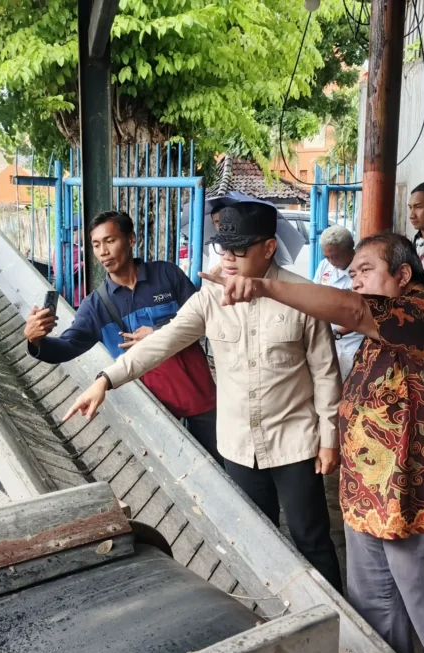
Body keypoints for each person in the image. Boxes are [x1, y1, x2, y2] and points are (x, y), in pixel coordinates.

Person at [200, 232, 424, 653]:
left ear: (403, 276)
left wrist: (265, 287)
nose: (353, 281)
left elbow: (354, 312)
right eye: (351, 274)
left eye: (364, 270)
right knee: (377, 619)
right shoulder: (377, 333)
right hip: (370, 504)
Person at [63, 201, 344, 591]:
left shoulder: (303, 295)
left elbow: (326, 373)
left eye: (239, 249)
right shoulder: (210, 299)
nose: (227, 258)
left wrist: (329, 439)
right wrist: (105, 380)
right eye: (223, 248)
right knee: (257, 541)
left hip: (295, 442)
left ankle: (339, 626)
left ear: (268, 248)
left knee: (310, 537)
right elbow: (159, 344)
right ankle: (277, 618)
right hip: (238, 446)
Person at [24, 211, 221, 464]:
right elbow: (65, 347)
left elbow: (204, 319)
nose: (103, 251)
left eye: (110, 241)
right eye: (96, 245)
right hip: (154, 413)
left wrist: (158, 333)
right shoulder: (96, 306)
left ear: (131, 240)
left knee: (224, 475)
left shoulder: (167, 275)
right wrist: (35, 340)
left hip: (199, 396)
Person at [313, 225, 363, 379]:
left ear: (349, 250)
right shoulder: (324, 266)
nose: (330, 261)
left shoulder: (362, 272)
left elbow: (361, 314)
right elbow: (315, 294)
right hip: (326, 334)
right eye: (326, 256)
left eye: (334, 256)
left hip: (351, 340)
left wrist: (334, 334)